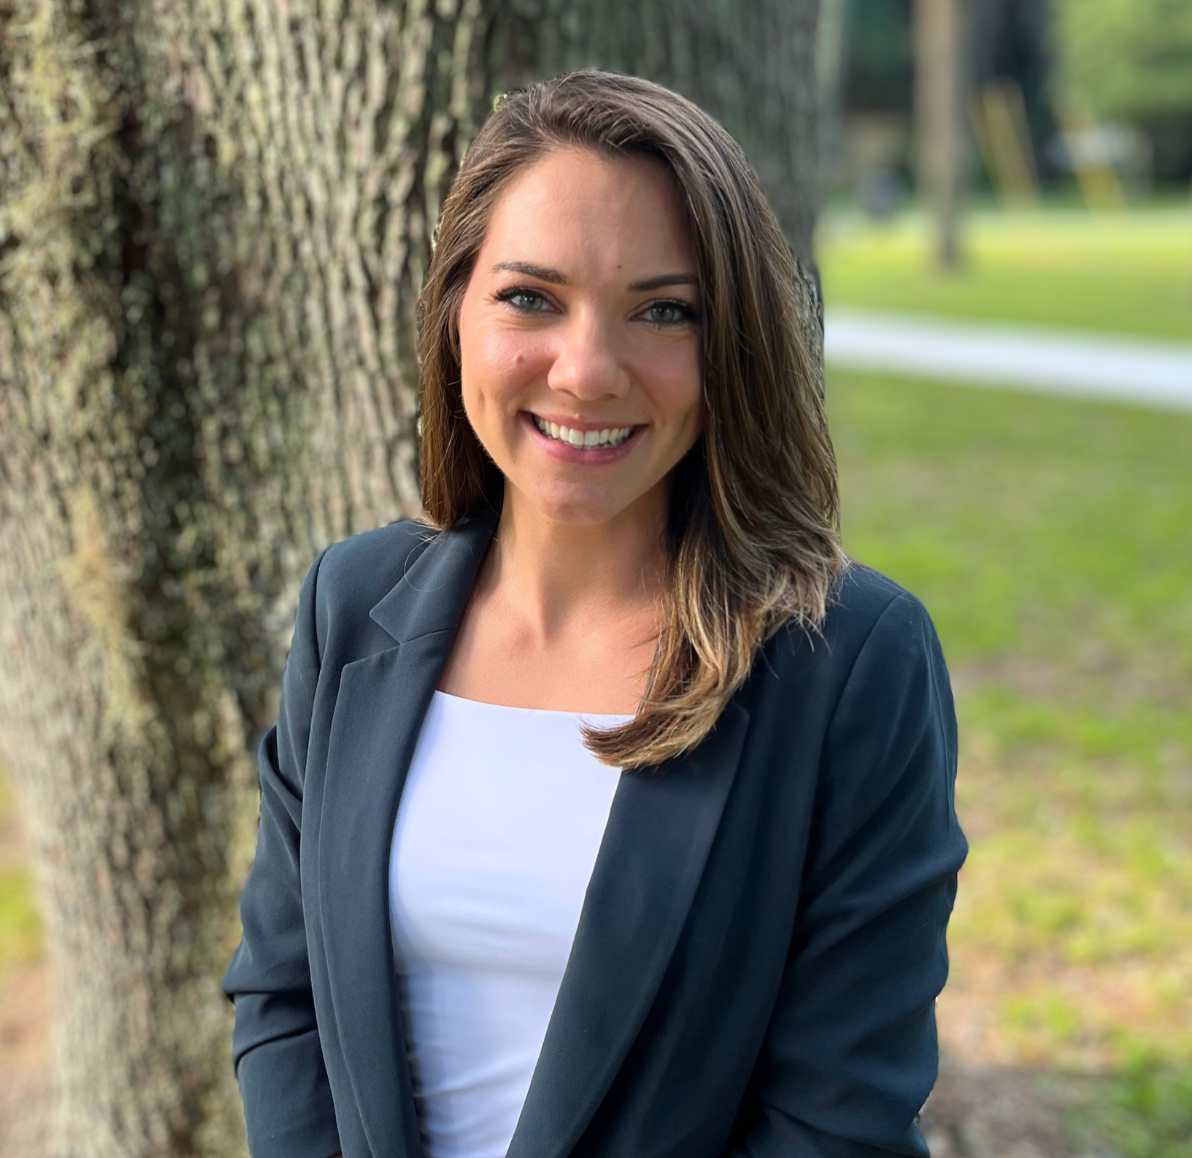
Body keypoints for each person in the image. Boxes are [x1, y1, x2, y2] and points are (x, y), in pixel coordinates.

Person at [223, 70, 967, 1158]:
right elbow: (284, 996)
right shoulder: (354, 605)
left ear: (734, 351)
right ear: (456, 316)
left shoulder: (848, 663)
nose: (586, 371)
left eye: (664, 312)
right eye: (531, 297)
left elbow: (836, 1116)